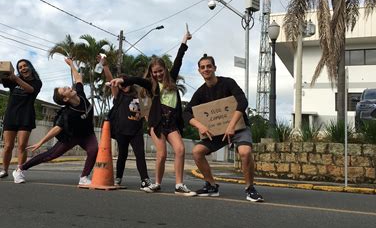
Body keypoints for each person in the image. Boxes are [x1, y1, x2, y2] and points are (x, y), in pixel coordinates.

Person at [110, 30, 196, 196]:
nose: (157, 74)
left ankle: (179, 185)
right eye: (154, 72)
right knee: (161, 153)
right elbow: (137, 80)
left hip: (171, 123)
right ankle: (157, 183)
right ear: (151, 73)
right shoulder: (151, 85)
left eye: (160, 71)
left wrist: (185, 40)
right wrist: (122, 80)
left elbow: (179, 59)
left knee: (180, 149)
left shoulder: (171, 80)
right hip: (157, 123)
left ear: (165, 69)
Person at [183, 54, 264, 202]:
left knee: (245, 152)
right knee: (197, 152)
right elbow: (186, 112)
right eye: (203, 67)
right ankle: (211, 186)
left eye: (209, 66)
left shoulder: (228, 83)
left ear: (214, 68)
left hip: (238, 128)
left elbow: (242, 101)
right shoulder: (200, 92)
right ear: (199, 71)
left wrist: (231, 126)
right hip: (217, 132)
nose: (206, 69)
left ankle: (250, 188)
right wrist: (199, 125)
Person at [12, 58, 97, 185]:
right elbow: (57, 129)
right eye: (65, 90)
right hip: (71, 137)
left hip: (88, 135)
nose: (68, 87)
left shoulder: (81, 95)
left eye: (65, 87)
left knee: (94, 150)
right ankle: (20, 169)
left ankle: (83, 177)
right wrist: (40, 142)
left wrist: (71, 64)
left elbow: (78, 78)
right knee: (50, 156)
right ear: (66, 98)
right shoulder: (68, 113)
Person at [99, 55, 155, 192]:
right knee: (122, 156)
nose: (124, 86)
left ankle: (145, 180)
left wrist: (151, 127)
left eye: (126, 83)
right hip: (121, 131)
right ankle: (118, 178)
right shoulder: (119, 95)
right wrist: (105, 66)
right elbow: (110, 79)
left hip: (136, 131)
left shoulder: (140, 95)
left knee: (140, 155)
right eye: (121, 84)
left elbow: (146, 113)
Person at [0, 59, 42, 182]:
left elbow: (30, 90)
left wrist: (16, 78)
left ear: (30, 67)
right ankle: (4, 171)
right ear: (18, 70)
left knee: (22, 146)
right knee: (8, 146)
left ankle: (19, 171)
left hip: (26, 116)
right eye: (20, 67)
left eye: (25, 66)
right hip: (11, 115)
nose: (23, 68)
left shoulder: (37, 82)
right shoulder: (12, 80)